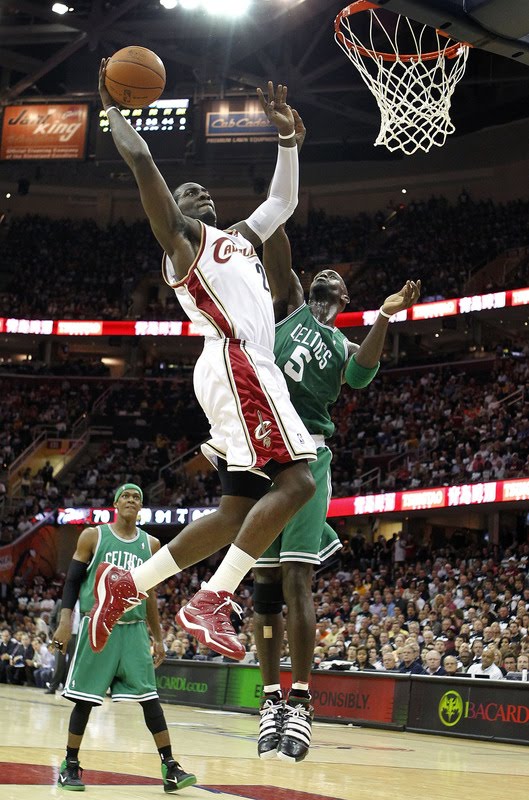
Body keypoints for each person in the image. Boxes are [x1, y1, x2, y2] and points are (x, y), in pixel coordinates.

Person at [88, 64, 318, 662]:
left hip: (243, 368)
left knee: (236, 510)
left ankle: (127, 586)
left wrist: (287, 139)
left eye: (201, 191)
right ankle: (212, 598)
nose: (198, 193)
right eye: (187, 192)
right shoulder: (183, 245)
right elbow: (143, 165)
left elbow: (283, 201)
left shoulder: (239, 236)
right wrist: (112, 108)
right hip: (237, 361)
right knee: (298, 482)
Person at [251, 169, 421, 761]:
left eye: (337, 281)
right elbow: (274, 240)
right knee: (263, 583)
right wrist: (281, 161)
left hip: (308, 455)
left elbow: (361, 374)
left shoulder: (347, 345)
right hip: (264, 451)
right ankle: (271, 696)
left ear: (344, 299)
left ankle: (301, 704)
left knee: (297, 576)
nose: (328, 276)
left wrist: (384, 315)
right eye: (321, 273)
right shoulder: (291, 302)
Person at [51, 483, 196, 792]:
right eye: (126, 496)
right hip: (98, 625)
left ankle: (170, 766)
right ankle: (70, 764)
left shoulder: (151, 544)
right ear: (116, 503)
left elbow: (152, 593)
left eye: (137, 497)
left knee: (150, 698)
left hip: (133, 629)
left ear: (140, 507)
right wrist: (65, 621)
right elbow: (72, 582)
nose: (132, 500)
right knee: (85, 700)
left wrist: (157, 637)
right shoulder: (94, 536)